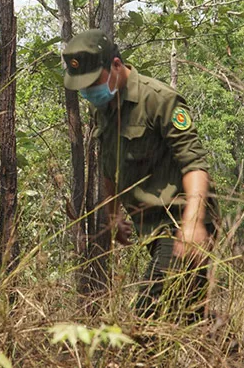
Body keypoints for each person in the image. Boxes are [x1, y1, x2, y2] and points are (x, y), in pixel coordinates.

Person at [61, 30, 215, 322]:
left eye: (94, 82)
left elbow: (195, 165)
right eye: (83, 87)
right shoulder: (104, 111)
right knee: (189, 318)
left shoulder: (160, 100)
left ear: (116, 66)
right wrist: (114, 214)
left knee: (149, 315)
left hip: (180, 220)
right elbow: (110, 169)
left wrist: (193, 224)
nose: (89, 91)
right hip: (151, 230)